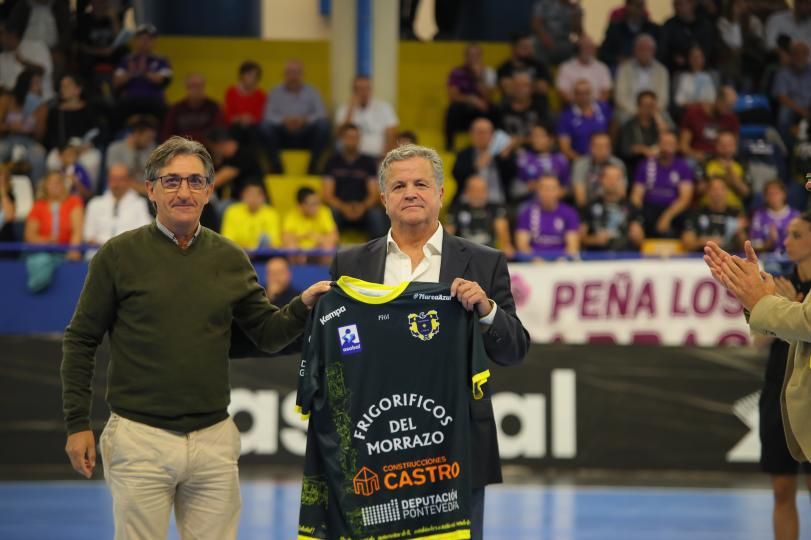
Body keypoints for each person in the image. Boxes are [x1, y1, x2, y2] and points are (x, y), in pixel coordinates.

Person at [60, 136, 331, 540]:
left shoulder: (230, 257)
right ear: (150, 190)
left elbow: (267, 334)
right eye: (171, 181)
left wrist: (302, 305)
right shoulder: (117, 257)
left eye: (194, 181)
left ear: (209, 190)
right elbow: (81, 339)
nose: (183, 191)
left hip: (214, 441)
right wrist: (77, 423)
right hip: (139, 439)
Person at [328, 143, 529, 540]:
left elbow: (514, 349)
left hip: (457, 447)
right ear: (384, 199)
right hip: (375, 443)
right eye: (399, 186)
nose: (411, 192)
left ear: (440, 193)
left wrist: (487, 309)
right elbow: (339, 349)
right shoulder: (350, 265)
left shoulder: (484, 262)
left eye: (421, 183)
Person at [753, 212, 811, 540]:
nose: (787, 242)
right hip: (778, 389)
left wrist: (798, 314)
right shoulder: (779, 283)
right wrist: (785, 310)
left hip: (810, 391)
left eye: (797, 235)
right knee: (781, 489)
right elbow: (760, 341)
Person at [261, 59, 330, 174]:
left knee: (324, 125)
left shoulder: (312, 91)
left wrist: (305, 120)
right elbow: (268, 115)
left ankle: (313, 166)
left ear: (302, 75)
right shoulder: (275, 92)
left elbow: (321, 113)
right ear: (284, 75)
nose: (293, 76)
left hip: (306, 134)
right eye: (290, 72)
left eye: (296, 72)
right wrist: (284, 120)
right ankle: (276, 165)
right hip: (282, 134)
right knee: (264, 127)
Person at [322, 123, 388, 239]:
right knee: (330, 213)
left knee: (376, 214)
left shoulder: (368, 162)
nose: (352, 140)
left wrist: (362, 207)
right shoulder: (332, 161)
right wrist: (344, 207)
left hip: (363, 209)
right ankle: (330, 253)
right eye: (349, 137)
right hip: (340, 209)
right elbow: (327, 195)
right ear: (342, 139)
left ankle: (379, 252)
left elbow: (374, 194)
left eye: (355, 137)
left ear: (359, 139)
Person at [630, 131, 695, 238]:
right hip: (649, 208)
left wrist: (667, 217)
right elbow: (636, 196)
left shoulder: (683, 167)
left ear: (676, 146)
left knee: (688, 223)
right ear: (658, 145)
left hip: (674, 210)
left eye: (670, 144)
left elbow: (685, 199)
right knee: (635, 226)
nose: (667, 148)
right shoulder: (645, 165)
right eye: (664, 144)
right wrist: (638, 215)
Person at [44, 74, 105, 187]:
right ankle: (56, 191)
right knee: (52, 161)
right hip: (63, 149)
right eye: (61, 86)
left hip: (84, 148)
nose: (63, 89)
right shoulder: (55, 111)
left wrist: (88, 145)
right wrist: (62, 150)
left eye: (67, 86)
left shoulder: (90, 108)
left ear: (78, 90)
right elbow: (50, 136)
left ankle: (88, 193)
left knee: (92, 160)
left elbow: (100, 132)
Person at [82, 163, 151, 252]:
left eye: (121, 179)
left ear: (129, 181)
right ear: (108, 180)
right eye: (113, 179)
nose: (116, 183)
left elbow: (144, 234)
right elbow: (88, 235)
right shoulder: (94, 204)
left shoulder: (139, 203)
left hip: (128, 254)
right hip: (98, 254)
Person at [112, 24, 172, 127]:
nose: (145, 42)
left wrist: (144, 72)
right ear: (135, 40)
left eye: (149, 39)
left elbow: (162, 79)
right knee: (115, 111)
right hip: (131, 99)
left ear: (154, 42)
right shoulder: (126, 60)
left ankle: (167, 141)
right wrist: (130, 73)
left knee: (168, 114)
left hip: (154, 100)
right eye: (141, 39)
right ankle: (115, 140)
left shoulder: (161, 60)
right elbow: (117, 81)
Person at [445, 175, 515, 258]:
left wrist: (506, 247)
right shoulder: (456, 209)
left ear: (487, 192)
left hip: (488, 256)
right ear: (467, 191)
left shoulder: (495, 209)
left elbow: (503, 235)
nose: (477, 194)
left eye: (481, 190)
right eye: (474, 190)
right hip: (463, 257)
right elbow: (447, 238)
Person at [451, 117, 516, 205]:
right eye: (478, 132)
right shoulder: (464, 154)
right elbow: (457, 176)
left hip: (497, 200)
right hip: (469, 201)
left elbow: (512, 176)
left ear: (492, 135)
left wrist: (504, 158)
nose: (482, 136)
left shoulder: (502, 154)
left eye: (485, 132)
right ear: (471, 134)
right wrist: (476, 166)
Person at [580, 163, 644, 252]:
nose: (612, 182)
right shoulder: (589, 206)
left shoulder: (632, 207)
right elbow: (580, 239)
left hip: (625, 257)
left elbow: (640, 243)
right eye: (608, 178)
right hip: (596, 259)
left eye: (616, 178)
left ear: (622, 181)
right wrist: (593, 240)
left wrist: (637, 237)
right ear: (601, 180)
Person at [445, 43, 498, 151]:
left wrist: (478, 78)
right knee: (452, 108)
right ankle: (449, 145)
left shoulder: (489, 72)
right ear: (465, 57)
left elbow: (488, 98)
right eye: (470, 55)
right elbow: (453, 96)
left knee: (494, 109)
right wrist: (471, 100)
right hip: (463, 110)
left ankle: (494, 145)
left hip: (480, 111)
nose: (473, 59)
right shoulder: (457, 72)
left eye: (476, 55)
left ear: (481, 57)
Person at [515, 174, 580, 259]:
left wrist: (562, 260)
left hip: (562, 263)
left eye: (552, 189)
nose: (548, 193)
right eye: (544, 188)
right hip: (534, 263)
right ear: (538, 190)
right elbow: (522, 245)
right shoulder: (527, 213)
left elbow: (573, 246)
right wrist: (534, 259)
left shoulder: (569, 213)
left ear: (559, 191)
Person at [0, 68, 47, 184]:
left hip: (29, 141)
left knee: (39, 156)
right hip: (8, 138)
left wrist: (36, 122)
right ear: (25, 83)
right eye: (35, 83)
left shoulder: (41, 106)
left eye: (39, 83)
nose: (38, 86)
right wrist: (10, 127)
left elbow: (40, 136)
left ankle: (37, 193)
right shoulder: (7, 99)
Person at [334, 75, 398, 159]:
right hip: (352, 159)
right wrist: (350, 110)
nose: (363, 92)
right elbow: (339, 136)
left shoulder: (384, 108)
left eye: (366, 88)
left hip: (378, 157)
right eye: (359, 89)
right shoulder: (344, 109)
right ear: (354, 91)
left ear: (371, 90)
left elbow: (392, 135)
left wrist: (385, 158)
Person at [24, 170, 83, 260]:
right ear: (45, 186)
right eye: (51, 183)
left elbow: (77, 231)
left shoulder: (73, 202)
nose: (55, 186)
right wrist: (47, 241)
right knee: (41, 260)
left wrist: (73, 250)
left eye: (58, 182)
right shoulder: (38, 206)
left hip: (65, 251)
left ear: (63, 185)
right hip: (41, 251)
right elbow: (30, 235)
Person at [614, 34, 670, 123]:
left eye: (647, 49)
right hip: (629, 110)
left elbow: (663, 98)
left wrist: (651, 111)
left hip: (655, 110)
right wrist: (637, 111)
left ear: (653, 51)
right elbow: (620, 97)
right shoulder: (624, 69)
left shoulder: (662, 71)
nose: (644, 52)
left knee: (668, 124)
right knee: (622, 120)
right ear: (635, 50)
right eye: (641, 49)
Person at [680, 176, 746, 252]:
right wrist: (705, 241)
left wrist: (740, 232)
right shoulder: (696, 213)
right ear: (708, 192)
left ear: (727, 192)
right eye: (714, 189)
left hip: (729, 258)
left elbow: (744, 246)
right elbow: (687, 244)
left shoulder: (736, 214)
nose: (718, 193)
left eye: (721, 189)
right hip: (700, 258)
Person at [679, 86, 739, 166]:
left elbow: (735, 147)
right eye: (727, 106)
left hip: (721, 158)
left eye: (731, 106)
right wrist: (696, 154)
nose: (729, 110)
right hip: (697, 157)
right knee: (689, 164)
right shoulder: (694, 113)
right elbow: (683, 146)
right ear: (718, 100)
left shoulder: (732, 119)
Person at [556, 79, 611, 161]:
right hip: (579, 160)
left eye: (586, 93)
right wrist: (583, 163)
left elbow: (612, 130)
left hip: (605, 158)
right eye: (579, 93)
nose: (583, 96)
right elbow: (565, 149)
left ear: (592, 93)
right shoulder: (566, 116)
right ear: (574, 94)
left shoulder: (604, 108)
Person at [617, 90, 672, 173]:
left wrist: (659, 121)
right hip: (635, 164)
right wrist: (642, 149)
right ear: (638, 106)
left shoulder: (660, 123)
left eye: (651, 105)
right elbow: (625, 149)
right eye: (645, 105)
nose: (648, 109)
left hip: (659, 163)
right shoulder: (629, 125)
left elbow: (669, 143)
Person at [161, 73, 224, 144]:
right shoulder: (176, 109)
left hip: (207, 147)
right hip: (181, 148)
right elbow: (167, 134)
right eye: (193, 86)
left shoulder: (213, 107)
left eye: (200, 86)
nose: (197, 90)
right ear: (187, 88)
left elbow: (219, 130)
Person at [282, 186, 338, 265]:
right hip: (299, 253)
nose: (316, 207)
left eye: (317, 203)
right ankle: (297, 272)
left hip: (318, 251)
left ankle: (325, 273)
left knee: (328, 245)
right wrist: (304, 236)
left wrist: (318, 239)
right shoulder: (291, 216)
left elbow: (334, 236)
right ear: (300, 205)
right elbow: (286, 238)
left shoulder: (324, 212)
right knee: (291, 247)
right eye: (312, 204)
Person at [657, 0, 717, 72]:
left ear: (692, 4)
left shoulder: (704, 25)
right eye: (675, 4)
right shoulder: (669, 25)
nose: (677, 8)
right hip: (676, 71)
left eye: (680, 4)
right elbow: (663, 51)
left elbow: (709, 50)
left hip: (703, 70)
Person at [598, 0, 660, 70]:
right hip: (620, 69)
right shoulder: (615, 29)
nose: (640, 9)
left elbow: (661, 53)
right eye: (637, 6)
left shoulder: (653, 30)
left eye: (642, 6)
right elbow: (603, 53)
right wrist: (617, 59)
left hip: (648, 69)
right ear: (627, 7)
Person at [571, 132, 627, 208]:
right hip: (588, 208)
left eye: (606, 146)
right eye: (599, 146)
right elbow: (580, 198)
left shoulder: (618, 164)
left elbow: (622, 193)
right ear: (591, 147)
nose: (603, 150)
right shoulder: (580, 165)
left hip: (614, 207)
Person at [220, 181, 281, 250]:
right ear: (242, 196)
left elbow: (275, 243)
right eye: (249, 194)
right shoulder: (232, 211)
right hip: (239, 253)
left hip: (264, 255)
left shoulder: (271, 213)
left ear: (264, 197)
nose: (253, 199)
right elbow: (228, 241)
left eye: (257, 195)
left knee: (277, 261)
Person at [773, 41, 811, 145]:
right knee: (784, 112)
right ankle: (786, 147)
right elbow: (781, 97)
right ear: (792, 56)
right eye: (797, 53)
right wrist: (801, 110)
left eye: (804, 54)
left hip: (809, 106)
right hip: (793, 108)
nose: (801, 57)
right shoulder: (783, 74)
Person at [516, 123, 570, 196]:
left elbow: (567, 187)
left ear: (550, 139)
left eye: (540, 136)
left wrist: (552, 192)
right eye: (533, 136)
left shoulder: (560, 159)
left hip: (556, 203)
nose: (536, 140)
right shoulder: (524, 159)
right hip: (529, 202)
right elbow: (515, 188)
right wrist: (527, 187)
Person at [555, 35, 612, 103]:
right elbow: (562, 92)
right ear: (578, 48)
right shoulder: (565, 67)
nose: (587, 50)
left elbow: (606, 92)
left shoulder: (602, 67)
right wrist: (582, 106)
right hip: (573, 106)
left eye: (590, 47)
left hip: (597, 107)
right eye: (584, 47)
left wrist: (592, 108)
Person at [105, 115, 158, 188]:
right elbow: (115, 178)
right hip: (122, 190)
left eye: (152, 138)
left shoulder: (152, 149)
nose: (150, 142)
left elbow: (155, 178)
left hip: (146, 191)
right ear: (136, 134)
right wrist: (144, 189)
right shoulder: (115, 149)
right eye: (148, 138)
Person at [495, 32, 552, 101]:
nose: (530, 50)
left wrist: (517, 86)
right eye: (525, 47)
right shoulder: (504, 68)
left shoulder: (540, 66)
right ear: (513, 48)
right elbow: (508, 90)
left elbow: (543, 89)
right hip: (511, 108)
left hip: (538, 107)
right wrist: (532, 85)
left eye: (531, 47)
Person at [497, 71, 549, 144]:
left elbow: (546, 136)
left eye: (525, 85)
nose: (520, 89)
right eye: (517, 85)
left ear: (532, 88)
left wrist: (520, 140)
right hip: (508, 151)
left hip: (534, 151)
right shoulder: (502, 109)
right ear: (511, 88)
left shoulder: (540, 108)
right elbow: (497, 136)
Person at [750, 179, 799, 256]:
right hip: (768, 258)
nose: (774, 197)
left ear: (784, 194)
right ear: (765, 197)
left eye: (776, 193)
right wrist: (769, 243)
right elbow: (754, 244)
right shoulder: (759, 215)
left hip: (791, 257)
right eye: (770, 194)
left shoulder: (795, 216)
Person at [223, 60, 266, 146]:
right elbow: (228, 114)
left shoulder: (260, 95)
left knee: (254, 133)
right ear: (242, 75)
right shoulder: (231, 92)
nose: (252, 79)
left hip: (253, 127)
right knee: (234, 132)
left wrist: (250, 119)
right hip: (235, 126)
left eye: (255, 76)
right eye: (249, 75)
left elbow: (260, 115)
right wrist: (239, 119)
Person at [702, 130, 750, 208]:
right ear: (716, 145)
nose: (726, 146)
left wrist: (732, 177)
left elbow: (746, 193)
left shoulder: (742, 165)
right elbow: (697, 190)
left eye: (729, 143)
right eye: (722, 143)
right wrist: (716, 180)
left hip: (734, 211)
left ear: (735, 146)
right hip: (707, 211)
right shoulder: (706, 163)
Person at [530, 0, 583, 65]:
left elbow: (577, 31)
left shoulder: (576, 8)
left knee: (579, 47)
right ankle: (543, 71)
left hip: (564, 42)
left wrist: (576, 13)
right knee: (535, 44)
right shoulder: (545, 3)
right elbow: (536, 23)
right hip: (545, 38)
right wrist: (544, 37)